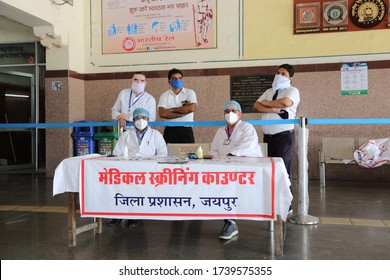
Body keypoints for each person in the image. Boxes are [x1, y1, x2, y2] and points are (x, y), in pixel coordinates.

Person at [209, 100, 263, 240]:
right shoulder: (220, 131)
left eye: (233, 111)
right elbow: (214, 149)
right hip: (227, 168)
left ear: (240, 114)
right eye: (227, 111)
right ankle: (230, 222)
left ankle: (231, 221)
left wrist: (227, 156)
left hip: (247, 168)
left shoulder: (247, 127)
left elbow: (248, 146)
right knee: (222, 188)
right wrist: (216, 157)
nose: (230, 113)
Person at [108, 107, 168, 226]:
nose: (141, 120)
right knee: (121, 192)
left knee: (138, 193)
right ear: (133, 120)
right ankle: (117, 215)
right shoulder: (126, 135)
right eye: (137, 118)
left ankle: (134, 216)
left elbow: (163, 154)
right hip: (127, 170)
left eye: (144, 118)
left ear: (148, 119)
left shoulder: (156, 135)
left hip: (147, 170)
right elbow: (116, 153)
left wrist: (150, 161)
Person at [253, 64, 300, 197]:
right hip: (268, 137)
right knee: (270, 169)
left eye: (283, 74)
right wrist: (272, 109)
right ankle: (272, 200)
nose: (279, 76)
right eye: (278, 73)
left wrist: (266, 103)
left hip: (283, 138)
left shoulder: (292, 90)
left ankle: (287, 203)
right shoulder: (269, 91)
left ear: (290, 78)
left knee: (283, 169)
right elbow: (256, 106)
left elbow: (285, 103)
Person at [158, 68, 197, 143]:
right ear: (169, 81)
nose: (177, 80)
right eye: (174, 79)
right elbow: (162, 113)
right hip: (170, 130)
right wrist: (183, 112)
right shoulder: (164, 95)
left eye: (180, 78)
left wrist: (171, 110)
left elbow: (191, 108)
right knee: (169, 154)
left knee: (188, 154)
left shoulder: (190, 93)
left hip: (186, 130)